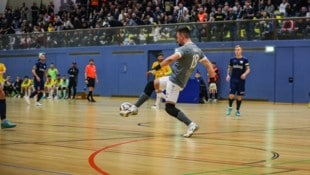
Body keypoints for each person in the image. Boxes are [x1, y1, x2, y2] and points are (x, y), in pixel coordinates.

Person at [120, 27, 217, 138]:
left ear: (182, 36)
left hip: (175, 82)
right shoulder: (198, 50)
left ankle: (191, 124)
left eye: (177, 37)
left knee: (169, 108)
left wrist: (155, 69)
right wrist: (212, 81)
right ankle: (135, 107)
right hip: (173, 78)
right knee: (151, 84)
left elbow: (170, 60)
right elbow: (209, 65)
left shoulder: (184, 49)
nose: (177, 40)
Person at [225, 45, 250, 118]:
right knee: (231, 95)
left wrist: (245, 74)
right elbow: (229, 68)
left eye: (238, 49)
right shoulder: (232, 59)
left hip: (241, 81)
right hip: (233, 80)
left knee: (239, 97)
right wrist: (228, 75)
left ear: (241, 50)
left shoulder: (245, 60)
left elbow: (248, 69)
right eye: (236, 50)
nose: (237, 51)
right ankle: (230, 107)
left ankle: (237, 110)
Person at [0, 63, 16, 129]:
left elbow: (3, 71)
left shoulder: (1, 65)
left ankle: (4, 121)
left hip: (1, 82)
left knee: (2, 98)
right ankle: (4, 121)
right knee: (2, 97)